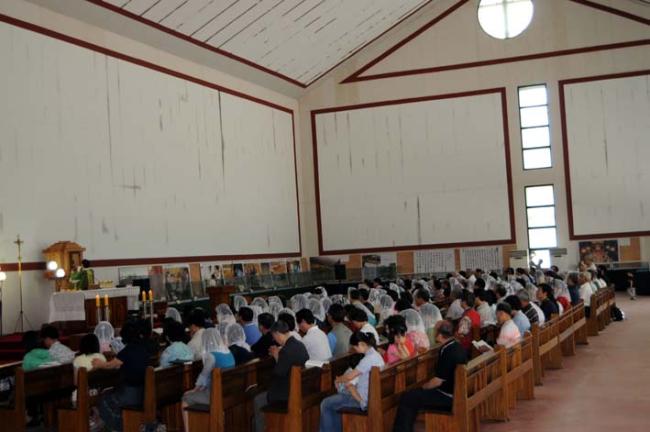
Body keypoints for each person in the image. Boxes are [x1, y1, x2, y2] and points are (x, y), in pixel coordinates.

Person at [392, 320, 467, 432]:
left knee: (408, 397)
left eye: (435, 331)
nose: (433, 333)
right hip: (456, 391)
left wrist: (422, 388)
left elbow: (437, 381)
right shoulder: (457, 345)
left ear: (440, 335)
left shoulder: (447, 351)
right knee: (413, 395)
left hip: (448, 396)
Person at [319, 332, 384, 432]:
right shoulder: (376, 355)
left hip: (361, 399)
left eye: (355, 347)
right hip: (370, 395)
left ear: (361, 344)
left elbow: (350, 376)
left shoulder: (368, 359)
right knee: (336, 399)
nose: (355, 350)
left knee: (326, 403)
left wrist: (338, 379)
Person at [94, 320, 150, 432]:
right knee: (110, 394)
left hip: (130, 393)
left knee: (104, 398)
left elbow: (110, 365)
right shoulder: (143, 348)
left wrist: (99, 364)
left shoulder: (127, 350)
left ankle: (117, 427)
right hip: (143, 391)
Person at [253, 320, 309, 432]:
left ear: (278, 334)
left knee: (257, 400)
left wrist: (276, 357)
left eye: (274, 337)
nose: (275, 340)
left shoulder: (286, 351)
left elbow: (277, 373)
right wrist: (279, 356)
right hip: (300, 387)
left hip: (286, 394)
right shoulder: (300, 345)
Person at [181, 328, 235, 431]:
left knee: (185, 397)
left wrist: (194, 390)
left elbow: (203, 376)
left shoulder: (211, 356)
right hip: (228, 392)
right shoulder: (229, 352)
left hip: (215, 395)